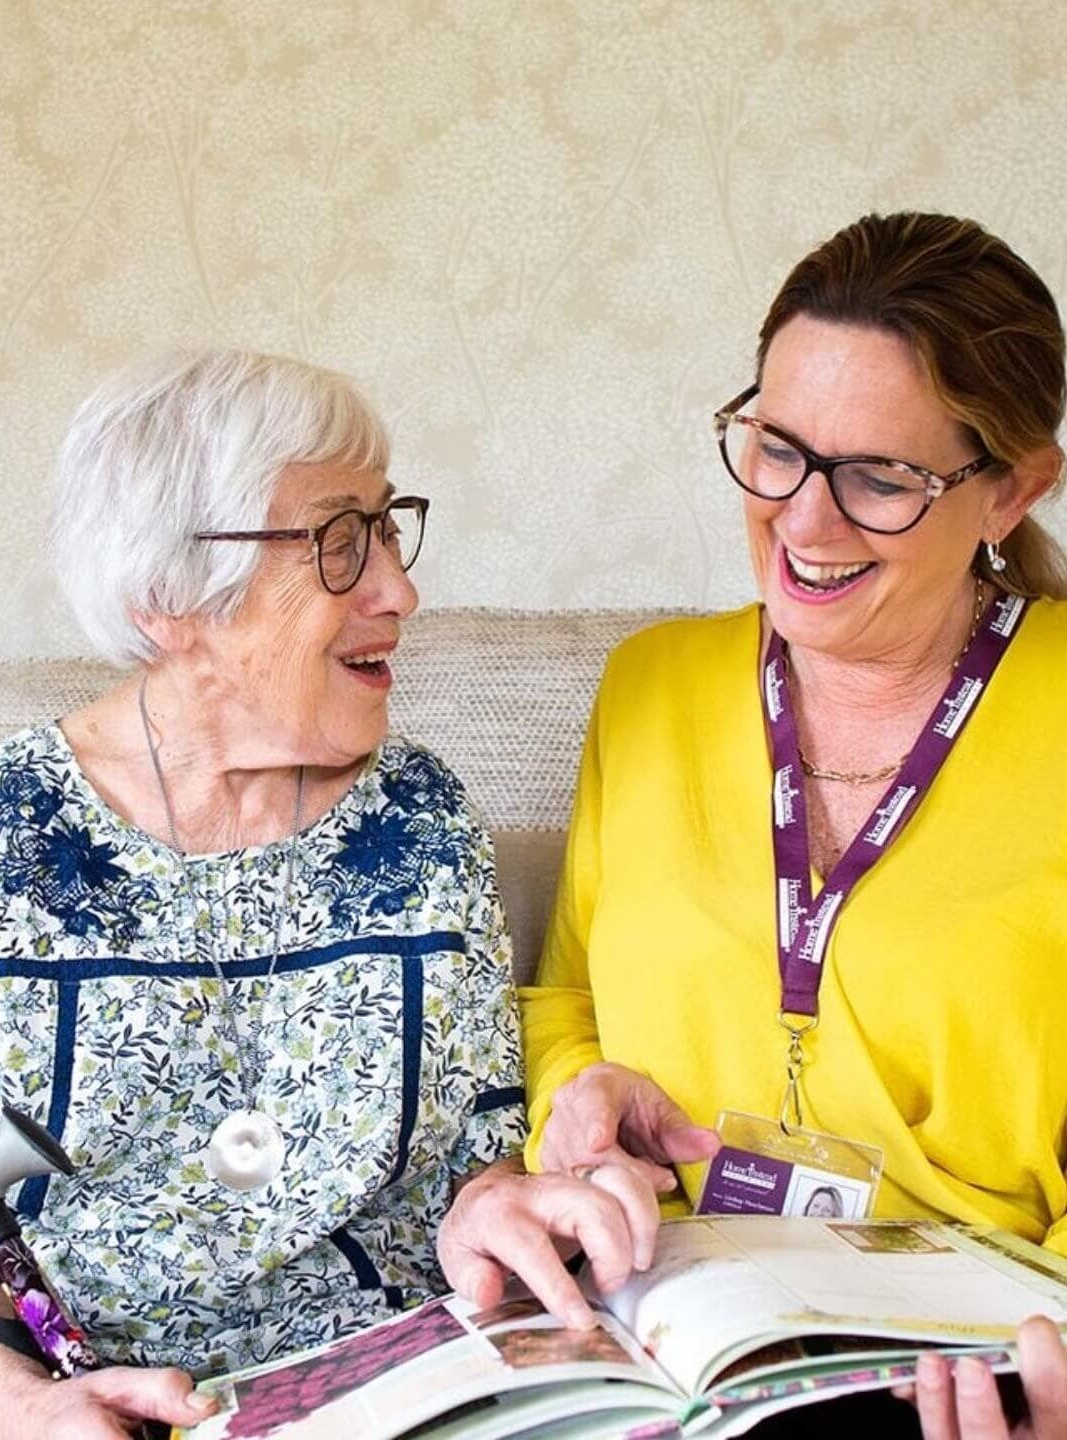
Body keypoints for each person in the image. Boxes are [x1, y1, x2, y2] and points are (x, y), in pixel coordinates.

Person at [517, 213, 1067, 1438]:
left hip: (965, 1368)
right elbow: (563, 1002)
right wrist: (578, 1097)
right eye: (776, 449)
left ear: (1014, 487)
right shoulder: (651, 685)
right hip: (666, 1330)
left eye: (882, 478)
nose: (803, 523)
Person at [0, 347, 549, 1439]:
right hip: (92, 1401)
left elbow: (481, 1163)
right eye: (340, 541)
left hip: (423, 1391)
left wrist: (509, 1208)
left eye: (389, 528)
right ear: (168, 596)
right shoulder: (3, 836)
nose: (399, 589)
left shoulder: (418, 817)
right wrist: (19, 1411)